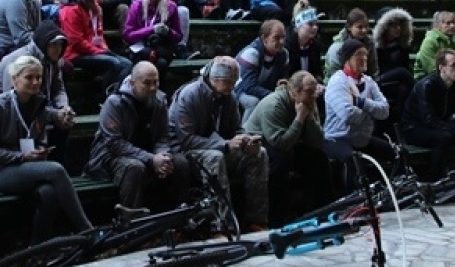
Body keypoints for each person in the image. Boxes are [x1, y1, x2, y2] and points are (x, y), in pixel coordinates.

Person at [0, 56, 92, 241]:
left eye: (38, 77)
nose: (35, 82)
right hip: (0, 171)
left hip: (29, 167)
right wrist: (21, 156)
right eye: (29, 77)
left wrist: (40, 150)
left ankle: (38, 247)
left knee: (48, 193)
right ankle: (86, 228)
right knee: (56, 169)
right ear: (15, 79)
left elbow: (40, 138)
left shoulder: (39, 103)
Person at [170, 58, 271, 232]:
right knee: (215, 158)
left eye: (234, 82)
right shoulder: (190, 95)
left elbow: (236, 130)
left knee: (259, 154)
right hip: (186, 151)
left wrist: (245, 141)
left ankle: (257, 219)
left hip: (219, 146)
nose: (233, 86)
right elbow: (186, 140)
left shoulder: (229, 97)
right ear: (214, 79)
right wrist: (225, 145)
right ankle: (222, 226)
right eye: (228, 82)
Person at [88, 63, 187, 213]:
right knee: (134, 168)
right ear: (133, 83)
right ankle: (132, 221)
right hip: (110, 157)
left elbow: (163, 135)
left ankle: (176, 216)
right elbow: (114, 143)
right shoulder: (114, 103)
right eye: (147, 83)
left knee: (179, 162)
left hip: (147, 155)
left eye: (156, 82)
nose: (153, 88)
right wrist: (151, 159)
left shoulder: (159, 101)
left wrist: (162, 155)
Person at [246, 70, 329, 221]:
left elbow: (317, 142)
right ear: (294, 92)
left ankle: (319, 211)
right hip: (262, 141)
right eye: (309, 92)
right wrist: (299, 119)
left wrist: (309, 119)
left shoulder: (309, 102)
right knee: (280, 162)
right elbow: (280, 143)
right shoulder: (273, 105)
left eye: (314, 91)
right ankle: (277, 217)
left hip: (290, 141)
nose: (314, 96)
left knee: (319, 159)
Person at [402, 48, 455, 178]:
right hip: (415, 128)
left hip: (441, 126)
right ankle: (435, 180)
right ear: (441, 67)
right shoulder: (426, 85)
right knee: (443, 138)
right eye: (453, 65)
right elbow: (430, 121)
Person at [323, 40, 393, 169]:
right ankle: (350, 189)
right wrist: (371, 113)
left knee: (395, 152)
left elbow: (385, 110)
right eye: (358, 55)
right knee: (352, 159)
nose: (364, 58)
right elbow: (347, 114)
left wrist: (361, 102)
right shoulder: (338, 82)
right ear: (347, 59)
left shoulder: (369, 82)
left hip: (362, 138)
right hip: (338, 138)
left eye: (365, 54)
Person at [60, 0, 133, 93]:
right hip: (75, 54)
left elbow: (98, 33)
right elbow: (75, 41)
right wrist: (98, 51)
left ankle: (116, 96)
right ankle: (106, 98)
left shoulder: (95, 6)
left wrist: (104, 49)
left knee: (127, 64)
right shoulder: (70, 10)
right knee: (113, 63)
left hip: (93, 50)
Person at [124, 0, 187, 69]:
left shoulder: (171, 6)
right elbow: (127, 35)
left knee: (161, 62)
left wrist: (168, 31)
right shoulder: (137, 6)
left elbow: (178, 36)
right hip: (141, 46)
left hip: (163, 46)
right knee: (152, 59)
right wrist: (151, 29)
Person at [234, 19, 290, 116]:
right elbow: (249, 87)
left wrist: (283, 84)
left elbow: (282, 79)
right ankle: (246, 130)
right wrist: (273, 95)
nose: (281, 42)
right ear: (265, 39)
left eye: (283, 37)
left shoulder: (284, 54)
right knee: (253, 102)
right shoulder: (251, 54)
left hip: (263, 88)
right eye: (276, 38)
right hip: (239, 89)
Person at [325, 9, 371, 79]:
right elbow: (334, 74)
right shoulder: (337, 47)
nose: (364, 30)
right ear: (349, 27)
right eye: (360, 27)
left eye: (366, 26)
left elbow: (373, 71)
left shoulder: (370, 43)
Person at [288, 4, 325, 77]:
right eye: (310, 24)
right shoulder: (287, 45)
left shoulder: (315, 45)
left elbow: (318, 73)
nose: (315, 27)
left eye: (316, 24)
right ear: (298, 26)